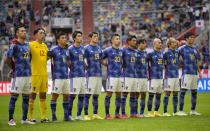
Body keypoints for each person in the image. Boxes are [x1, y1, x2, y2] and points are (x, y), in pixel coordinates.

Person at [6, 25, 34, 125]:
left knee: (26, 97)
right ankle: (10, 119)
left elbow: (28, 58)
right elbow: (8, 58)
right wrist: (13, 69)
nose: (24, 32)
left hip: (28, 75)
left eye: (25, 31)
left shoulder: (27, 45)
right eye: (22, 31)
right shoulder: (14, 44)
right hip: (18, 75)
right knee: (14, 96)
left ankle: (24, 119)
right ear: (17, 33)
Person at [177, 32, 202, 116]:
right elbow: (174, 57)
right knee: (183, 91)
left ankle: (193, 110)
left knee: (194, 92)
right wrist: (179, 65)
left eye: (193, 37)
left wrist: (199, 72)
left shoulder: (195, 49)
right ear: (186, 39)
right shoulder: (181, 48)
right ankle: (180, 110)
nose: (193, 39)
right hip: (186, 73)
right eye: (191, 37)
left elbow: (196, 62)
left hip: (194, 73)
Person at [28, 28, 49, 122]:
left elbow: (46, 58)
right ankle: (30, 117)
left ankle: (43, 117)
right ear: (35, 35)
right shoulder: (31, 45)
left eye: (44, 33)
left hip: (44, 74)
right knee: (32, 95)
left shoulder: (45, 46)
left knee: (43, 95)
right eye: (40, 33)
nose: (43, 35)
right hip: (35, 74)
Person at [48, 32, 70, 121]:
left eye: (65, 38)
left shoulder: (67, 50)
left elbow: (68, 62)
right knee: (55, 96)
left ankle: (66, 116)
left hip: (66, 76)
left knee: (66, 96)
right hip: (57, 77)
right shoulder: (53, 50)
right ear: (58, 40)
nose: (65, 39)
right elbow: (46, 58)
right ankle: (53, 115)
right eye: (63, 38)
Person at [101, 33, 123, 120]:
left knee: (119, 95)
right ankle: (107, 114)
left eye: (119, 38)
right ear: (112, 40)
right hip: (111, 76)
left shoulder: (121, 51)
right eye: (117, 38)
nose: (119, 40)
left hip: (120, 76)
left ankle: (117, 113)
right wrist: (106, 64)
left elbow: (123, 62)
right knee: (109, 94)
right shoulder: (107, 50)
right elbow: (100, 58)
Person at [83, 32, 103, 120]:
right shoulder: (86, 48)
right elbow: (81, 58)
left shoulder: (99, 48)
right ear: (91, 38)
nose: (96, 38)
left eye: (97, 37)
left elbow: (101, 59)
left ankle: (95, 114)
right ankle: (86, 115)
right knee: (87, 95)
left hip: (98, 74)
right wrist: (85, 66)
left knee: (96, 96)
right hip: (90, 75)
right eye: (94, 36)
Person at [67, 31, 85, 120]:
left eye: (81, 36)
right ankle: (69, 115)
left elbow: (83, 61)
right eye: (78, 36)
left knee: (81, 96)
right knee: (72, 96)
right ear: (74, 38)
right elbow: (68, 62)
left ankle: (78, 115)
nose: (80, 38)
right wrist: (73, 69)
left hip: (82, 75)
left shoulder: (83, 48)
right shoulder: (70, 49)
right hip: (74, 76)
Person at [121, 35, 138, 118]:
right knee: (124, 94)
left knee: (133, 94)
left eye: (135, 40)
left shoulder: (136, 52)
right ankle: (123, 113)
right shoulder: (124, 51)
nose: (135, 42)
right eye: (133, 40)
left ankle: (133, 113)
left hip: (134, 76)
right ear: (129, 42)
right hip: (126, 75)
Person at [146, 38, 164, 117]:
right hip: (153, 77)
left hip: (160, 77)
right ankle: (149, 112)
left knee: (159, 95)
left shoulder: (162, 54)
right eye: (159, 43)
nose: (160, 44)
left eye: (161, 43)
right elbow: (145, 64)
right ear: (154, 44)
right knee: (151, 95)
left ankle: (156, 111)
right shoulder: (150, 54)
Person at [162, 37, 180, 116]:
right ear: (169, 44)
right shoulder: (165, 53)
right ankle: (165, 112)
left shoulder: (177, 52)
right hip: (169, 76)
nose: (175, 43)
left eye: (175, 42)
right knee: (167, 93)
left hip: (176, 75)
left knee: (175, 93)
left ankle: (175, 111)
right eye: (173, 42)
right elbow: (163, 64)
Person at [136, 39, 148, 117]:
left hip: (144, 76)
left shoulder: (146, 53)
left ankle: (142, 112)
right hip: (137, 77)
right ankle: (135, 112)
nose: (145, 45)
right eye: (143, 43)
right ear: (139, 44)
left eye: (145, 43)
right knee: (136, 95)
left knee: (143, 95)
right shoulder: (135, 53)